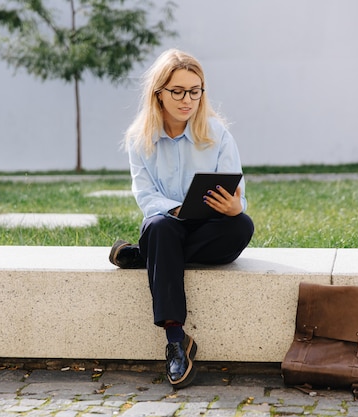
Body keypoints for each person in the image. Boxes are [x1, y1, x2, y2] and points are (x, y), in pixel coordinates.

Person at [109, 49, 255, 389]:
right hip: (167, 224)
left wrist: (235, 207)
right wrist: (178, 210)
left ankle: (147, 257)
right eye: (177, 91)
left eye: (195, 90)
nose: (187, 99)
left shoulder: (218, 134)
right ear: (158, 92)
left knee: (242, 226)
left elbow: (238, 196)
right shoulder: (139, 139)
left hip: (210, 228)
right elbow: (146, 198)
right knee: (160, 228)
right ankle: (176, 341)